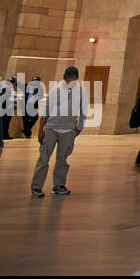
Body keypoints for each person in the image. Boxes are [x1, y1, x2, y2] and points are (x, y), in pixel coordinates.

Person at [29, 67, 84, 199]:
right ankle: (36, 187)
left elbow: (83, 111)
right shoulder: (56, 91)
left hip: (69, 130)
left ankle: (59, 185)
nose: (73, 81)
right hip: (52, 128)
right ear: (66, 78)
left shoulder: (80, 93)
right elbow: (46, 111)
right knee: (43, 159)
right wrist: (40, 130)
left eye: (75, 78)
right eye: (70, 78)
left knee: (62, 160)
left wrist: (79, 128)